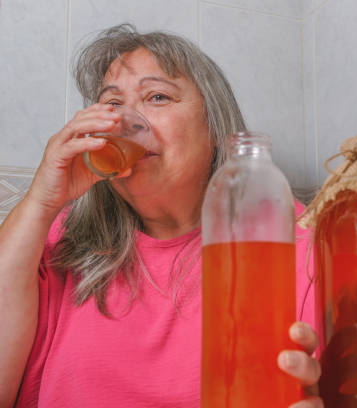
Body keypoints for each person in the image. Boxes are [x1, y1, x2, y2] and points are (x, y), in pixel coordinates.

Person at [0, 24, 322, 407]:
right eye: (112, 104)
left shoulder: (292, 245)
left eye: (157, 96)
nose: (124, 120)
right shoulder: (55, 244)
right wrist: (40, 201)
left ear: (215, 128)